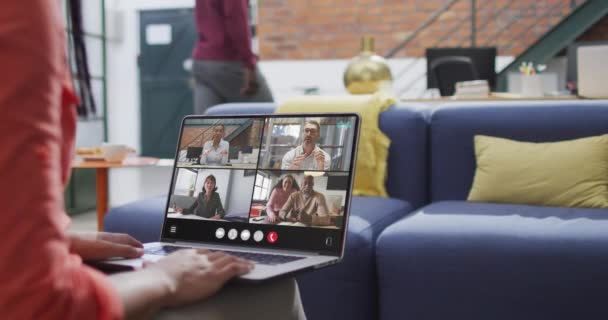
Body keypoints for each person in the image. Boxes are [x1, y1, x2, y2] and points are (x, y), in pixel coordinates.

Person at [0, 1, 305, 319]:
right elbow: (34, 303)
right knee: (277, 289)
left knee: (213, 120)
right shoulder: (22, 13)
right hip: (227, 61)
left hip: (202, 60)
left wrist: (59, 243)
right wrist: (162, 277)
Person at [192, 0, 274, 115]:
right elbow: (236, 20)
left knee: (205, 126)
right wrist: (249, 63)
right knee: (270, 118)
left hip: (202, 62)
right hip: (229, 61)